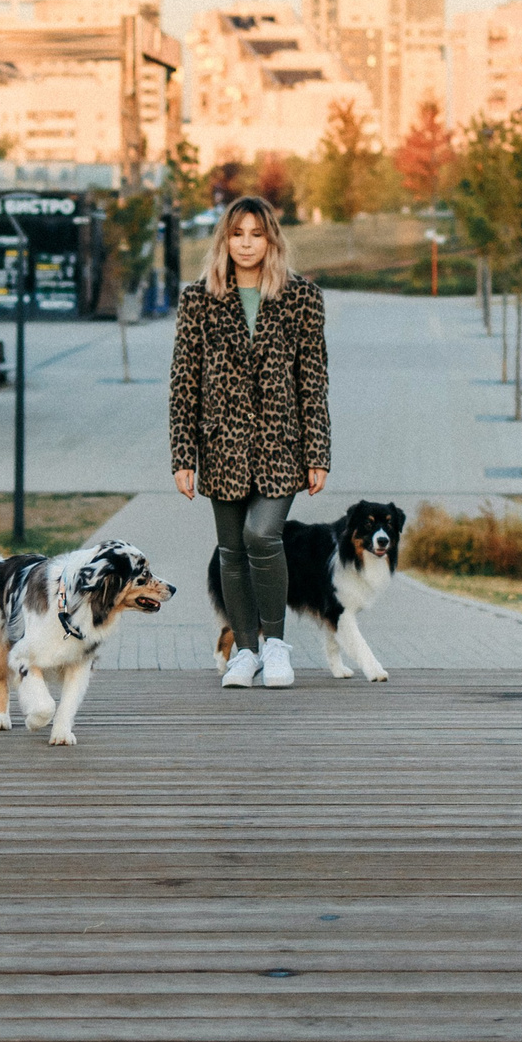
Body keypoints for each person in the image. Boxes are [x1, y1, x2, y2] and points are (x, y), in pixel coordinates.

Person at [167, 195, 331, 689]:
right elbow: (183, 382)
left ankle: (276, 646)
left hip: (283, 444)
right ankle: (245, 650)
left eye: (256, 234)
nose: (245, 243)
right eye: (237, 233)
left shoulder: (302, 297)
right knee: (231, 550)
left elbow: (313, 380)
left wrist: (318, 453)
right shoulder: (198, 300)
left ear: (271, 240)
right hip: (222, 447)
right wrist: (183, 455)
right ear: (224, 239)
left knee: (262, 535)